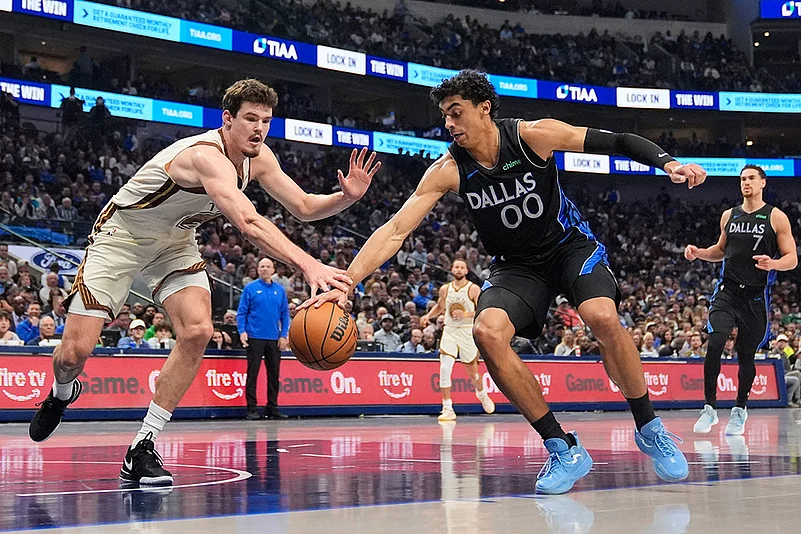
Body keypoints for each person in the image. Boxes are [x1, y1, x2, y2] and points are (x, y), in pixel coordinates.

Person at [303, 70, 706, 494]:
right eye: (445, 116)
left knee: (601, 316)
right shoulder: (448, 169)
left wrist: (669, 163)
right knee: (487, 333)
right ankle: (562, 446)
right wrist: (346, 281)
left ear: (485, 109)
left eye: (456, 113)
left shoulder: (533, 136)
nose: (449, 124)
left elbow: (619, 141)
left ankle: (648, 425)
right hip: (517, 267)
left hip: (570, 248)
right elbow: (396, 230)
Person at [28, 79, 381, 486]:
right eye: (250, 119)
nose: (259, 129)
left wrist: (346, 198)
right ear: (228, 119)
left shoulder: (259, 157)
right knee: (73, 353)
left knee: (198, 330)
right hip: (122, 236)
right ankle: (61, 391)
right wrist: (307, 263)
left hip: (175, 241)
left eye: (266, 121)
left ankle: (143, 446)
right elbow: (248, 222)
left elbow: (302, 206)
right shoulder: (205, 157)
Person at [686, 165, 797, 435]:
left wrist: (773, 263)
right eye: (742, 179)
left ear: (762, 183)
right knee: (715, 341)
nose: (745, 183)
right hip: (728, 290)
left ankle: (740, 409)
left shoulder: (776, 217)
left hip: (756, 295)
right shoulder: (729, 215)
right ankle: (709, 408)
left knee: (745, 356)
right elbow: (719, 251)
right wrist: (698, 252)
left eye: (750, 179)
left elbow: (791, 258)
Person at [421, 259, 494, 421]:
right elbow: (440, 307)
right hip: (450, 330)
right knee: (445, 369)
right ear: (452, 269)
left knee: (473, 373)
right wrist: (428, 316)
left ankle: (481, 393)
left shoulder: (473, 289)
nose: (459, 270)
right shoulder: (445, 289)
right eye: (456, 267)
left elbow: (483, 310)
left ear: (467, 270)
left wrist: (466, 314)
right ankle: (447, 408)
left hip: (467, 331)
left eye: (462, 267)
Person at [237, 257, 290, 420]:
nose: (265, 269)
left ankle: (272, 407)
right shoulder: (250, 288)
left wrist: (283, 335)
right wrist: (242, 331)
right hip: (255, 336)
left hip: (274, 337)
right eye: (262, 266)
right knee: (253, 373)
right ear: (258, 270)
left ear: (273, 270)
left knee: (274, 374)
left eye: (268, 266)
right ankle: (251, 408)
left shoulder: (280, 290)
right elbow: (241, 312)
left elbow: (285, 314)